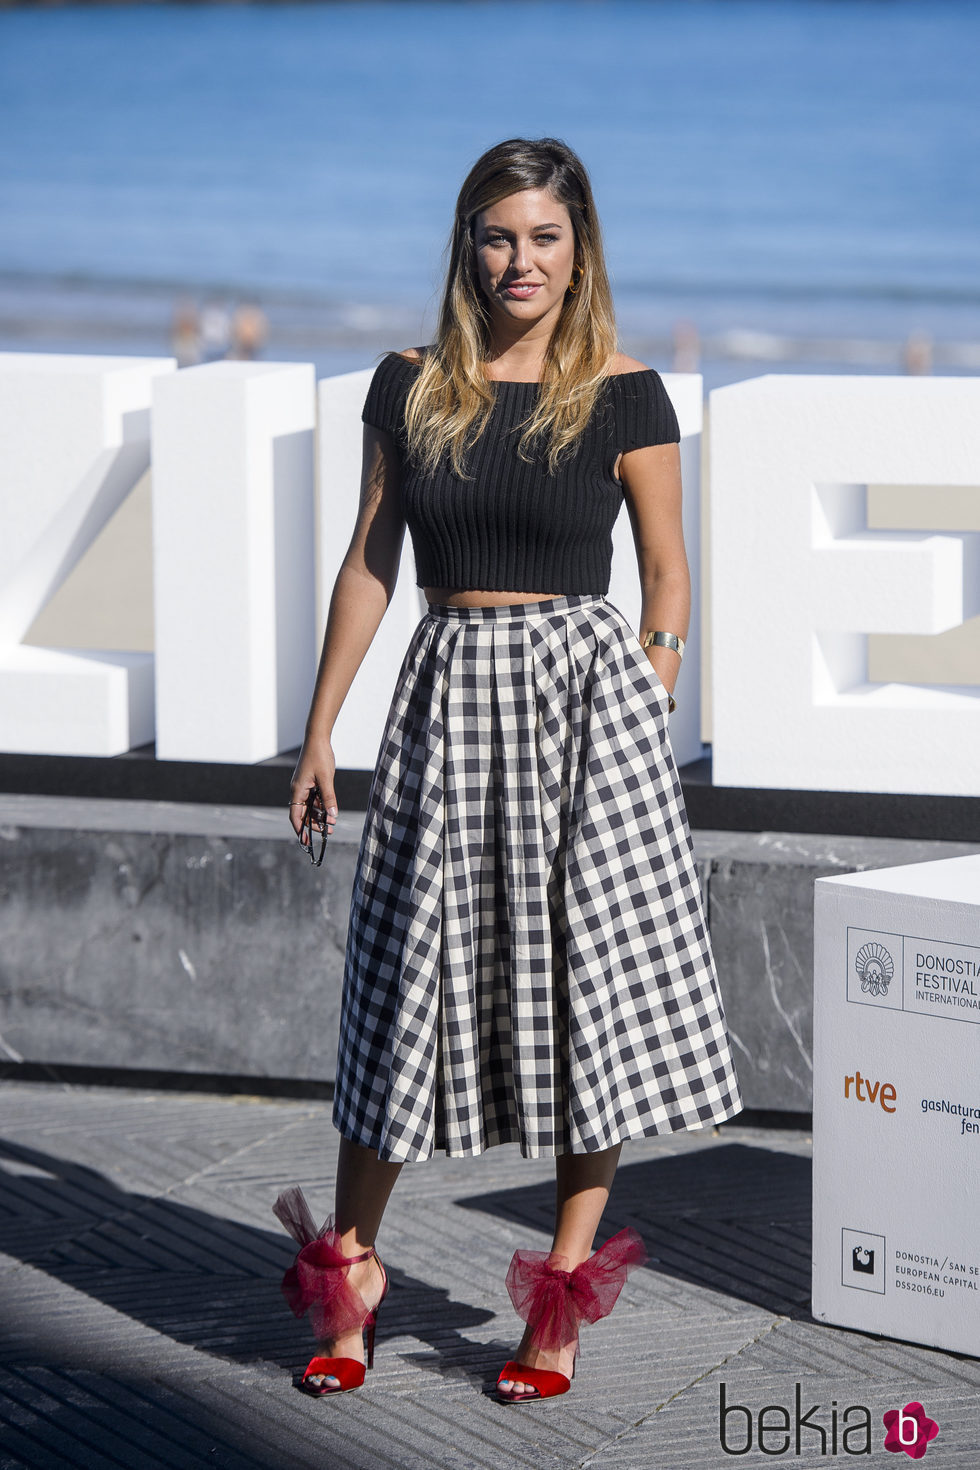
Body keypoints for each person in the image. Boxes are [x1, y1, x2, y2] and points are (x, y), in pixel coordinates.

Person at [273, 136, 744, 1404]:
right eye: (497, 235)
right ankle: (351, 1270)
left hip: (584, 706)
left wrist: (648, 698)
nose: (519, 259)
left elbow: (665, 572)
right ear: (465, 246)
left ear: (578, 246)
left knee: (584, 997)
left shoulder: (627, 394)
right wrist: (320, 729)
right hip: (445, 695)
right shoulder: (412, 384)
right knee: (401, 992)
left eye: (543, 235)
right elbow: (368, 567)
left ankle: (556, 1307)